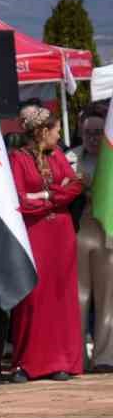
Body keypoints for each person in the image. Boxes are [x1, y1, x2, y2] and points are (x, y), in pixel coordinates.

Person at [9, 105, 85, 381]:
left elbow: (75, 185)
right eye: (56, 130)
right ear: (42, 131)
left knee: (61, 295)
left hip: (61, 234)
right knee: (33, 296)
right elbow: (18, 198)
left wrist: (44, 196)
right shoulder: (18, 158)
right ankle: (27, 362)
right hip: (34, 233)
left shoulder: (58, 156)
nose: (59, 134)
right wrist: (55, 193)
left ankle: (62, 361)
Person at [72, 110, 112, 371]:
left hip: (106, 234)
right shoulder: (70, 158)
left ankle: (105, 357)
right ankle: (76, 357)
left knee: (107, 299)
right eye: (88, 133)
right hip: (77, 234)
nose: (93, 138)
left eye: (98, 133)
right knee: (78, 297)